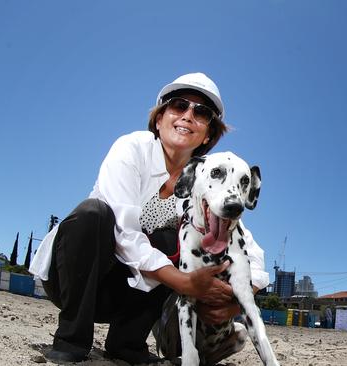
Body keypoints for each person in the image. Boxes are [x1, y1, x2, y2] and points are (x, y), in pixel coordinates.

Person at [29, 72, 269, 364]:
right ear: (159, 119)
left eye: (201, 112)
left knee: (174, 238)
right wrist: (183, 281)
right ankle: (71, 339)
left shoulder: (203, 183)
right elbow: (124, 233)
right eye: (179, 105)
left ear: (208, 134)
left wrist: (232, 305)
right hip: (74, 282)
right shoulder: (131, 149)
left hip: (125, 294)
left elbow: (251, 254)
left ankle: (126, 344)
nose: (188, 115)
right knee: (93, 214)